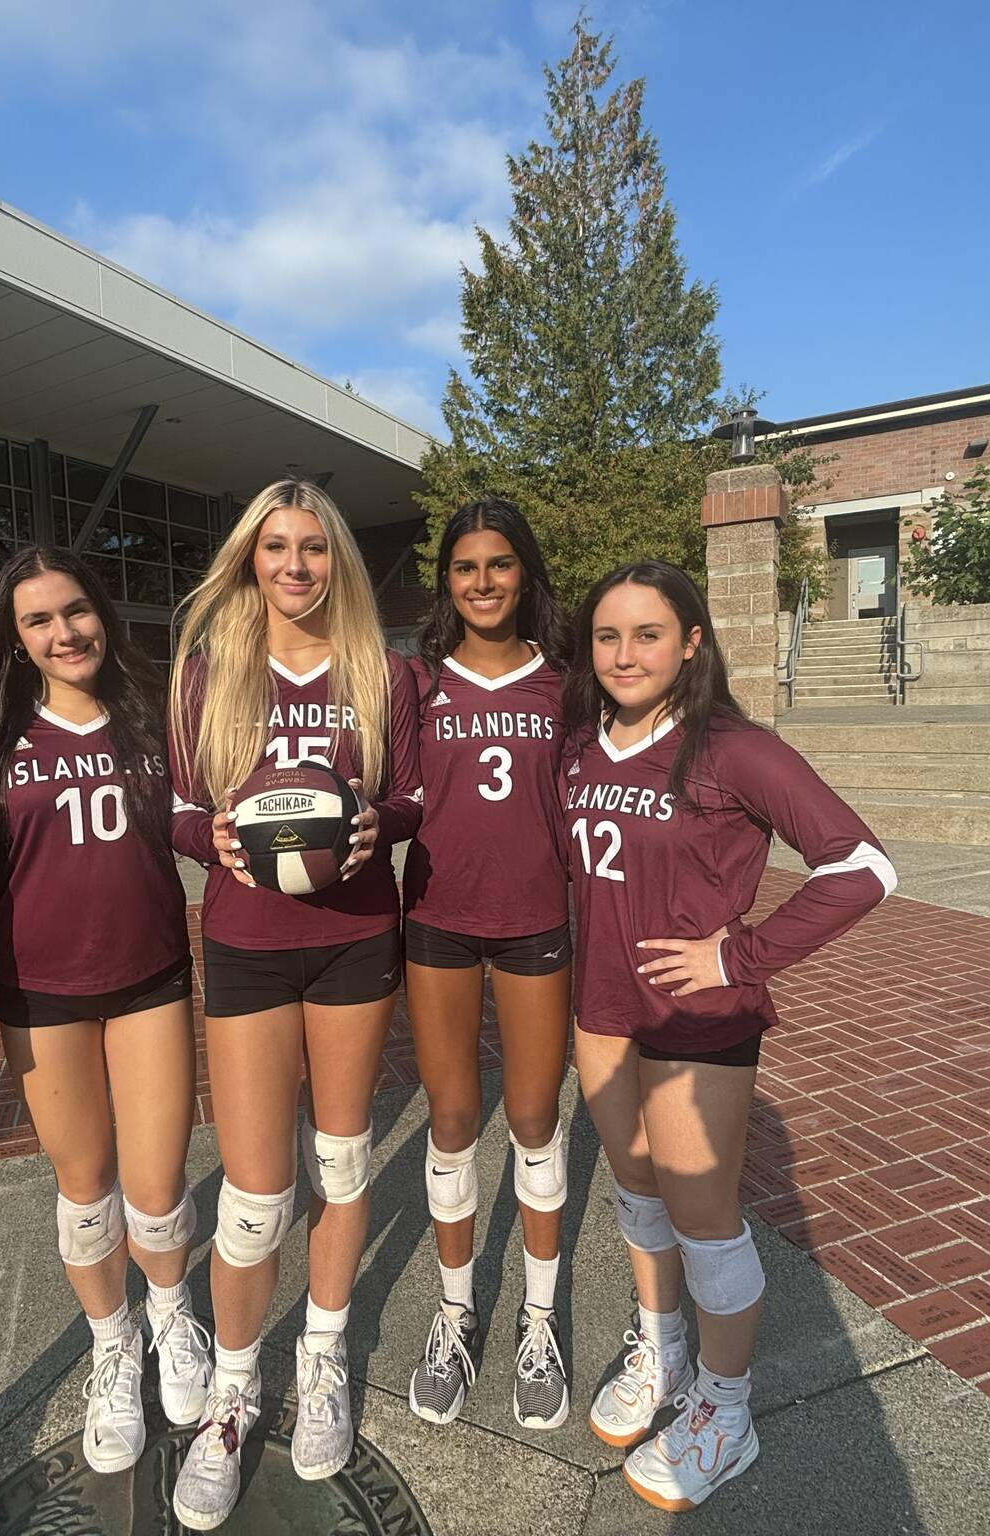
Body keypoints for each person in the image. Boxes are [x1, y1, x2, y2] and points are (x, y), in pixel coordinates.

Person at [561, 560, 896, 1513]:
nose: (625, 655)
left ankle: (727, 1407)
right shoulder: (582, 747)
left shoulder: (734, 749)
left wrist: (738, 955)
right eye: (607, 636)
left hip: (697, 1021)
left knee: (705, 1220)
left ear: (693, 642)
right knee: (636, 1194)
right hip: (604, 1009)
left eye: (649, 634)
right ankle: (663, 1348)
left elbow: (863, 866)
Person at [164, 479, 421, 1529]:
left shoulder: (383, 672)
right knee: (254, 1195)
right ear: (250, 558)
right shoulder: (206, 673)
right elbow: (179, 809)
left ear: (337, 562)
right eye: (276, 548)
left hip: (356, 938)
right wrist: (210, 840)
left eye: (314, 548)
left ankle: (319, 1359)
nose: (296, 566)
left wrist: (377, 828)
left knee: (343, 1158)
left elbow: (408, 796)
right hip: (246, 947)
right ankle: (231, 1393)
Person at [0, 546, 210, 1476]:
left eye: (75, 610)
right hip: (44, 990)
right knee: (85, 1185)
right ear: (15, 639)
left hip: (149, 975)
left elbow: (189, 821)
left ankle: (172, 1317)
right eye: (38, 620)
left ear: (101, 612)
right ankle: (113, 1345)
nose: (64, 632)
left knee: (156, 1182)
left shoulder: (152, 720)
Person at [400, 498, 574, 1429]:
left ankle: (539, 1318)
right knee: (454, 1115)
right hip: (436, 919)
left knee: (536, 1116)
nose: (482, 582)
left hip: (536, 922)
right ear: (446, 583)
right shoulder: (417, 684)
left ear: (525, 572)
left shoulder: (568, 686)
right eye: (465, 567)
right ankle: (458, 1309)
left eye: (499, 564)